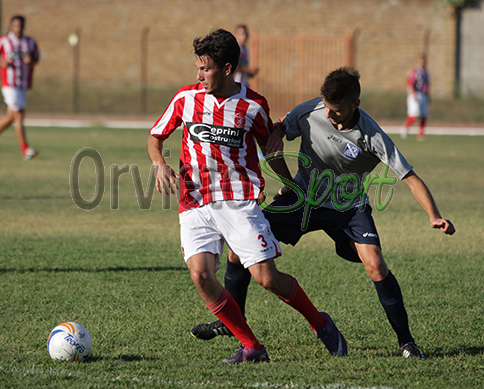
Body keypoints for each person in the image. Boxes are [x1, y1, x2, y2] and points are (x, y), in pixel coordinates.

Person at [191, 66, 456, 360]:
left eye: (338, 111)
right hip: (302, 199)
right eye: (327, 108)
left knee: (376, 265)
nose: (329, 116)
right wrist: (278, 142)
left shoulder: (372, 134)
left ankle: (406, 342)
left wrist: (434, 215)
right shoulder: (310, 111)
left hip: (348, 207)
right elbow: (278, 130)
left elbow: (409, 177)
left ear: (355, 104)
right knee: (239, 248)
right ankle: (232, 321)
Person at [147, 29, 347, 365]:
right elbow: (156, 136)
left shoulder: (252, 105)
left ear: (226, 69)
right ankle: (251, 346)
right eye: (197, 68)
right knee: (201, 276)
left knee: (267, 279)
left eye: (205, 69)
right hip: (194, 201)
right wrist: (159, 164)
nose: (198, 75)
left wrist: (292, 182)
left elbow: (270, 148)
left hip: (239, 201)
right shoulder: (185, 98)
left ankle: (321, 323)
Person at [0, 15, 39, 160]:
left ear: (23, 26)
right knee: (18, 114)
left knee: (11, 116)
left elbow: (36, 59)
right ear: (11, 26)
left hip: (24, 84)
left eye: (20, 25)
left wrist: (30, 60)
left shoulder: (30, 42)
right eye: (15, 25)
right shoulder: (4, 41)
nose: (18, 28)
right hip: (9, 84)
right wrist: (2, 63)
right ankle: (25, 149)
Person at [401, 54, 430, 140]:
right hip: (415, 94)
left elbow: (427, 85)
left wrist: (428, 96)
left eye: (424, 61)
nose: (423, 62)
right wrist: (413, 94)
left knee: (424, 115)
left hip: (424, 94)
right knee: (415, 115)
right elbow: (410, 83)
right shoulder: (414, 71)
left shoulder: (426, 72)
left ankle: (420, 134)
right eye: (421, 60)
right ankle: (405, 128)